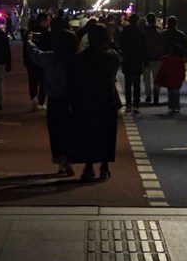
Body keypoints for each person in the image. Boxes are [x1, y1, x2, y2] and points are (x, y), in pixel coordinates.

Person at [68, 23, 121, 182]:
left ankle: (88, 166)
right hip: (107, 99)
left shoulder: (81, 58)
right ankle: (104, 166)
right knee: (107, 134)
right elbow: (116, 60)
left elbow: (75, 80)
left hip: (87, 99)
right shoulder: (111, 57)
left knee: (88, 133)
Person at [27, 29, 78, 176]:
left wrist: (29, 42)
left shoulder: (51, 57)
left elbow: (36, 54)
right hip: (72, 100)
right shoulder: (77, 59)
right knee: (71, 131)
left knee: (56, 132)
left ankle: (60, 161)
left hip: (55, 100)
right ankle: (70, 159)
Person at [119, 13, 148, 113]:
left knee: (128, 84)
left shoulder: (125, 31)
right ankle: (136, 105)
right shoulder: (140, 32)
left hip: (128, 59)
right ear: (137, 21)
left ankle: (128, 105)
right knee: (136, 84)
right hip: (137, 60)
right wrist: (145, 60)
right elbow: (144, 47)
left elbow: (121, 44)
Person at [155, 44, 187, 113]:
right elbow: (182, 71)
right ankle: (176, 107)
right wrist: (182, 78)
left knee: (170, 92)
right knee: (176, 92)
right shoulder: (180, 60)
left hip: (169, 78)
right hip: (177, 79)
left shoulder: (167, 59)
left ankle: (171, 106)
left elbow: (163, 68)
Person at [142, 13, 165, 104]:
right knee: (157, 78)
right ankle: (156, 93)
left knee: (146, 79)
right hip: (157, 58)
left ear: (147, 21)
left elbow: (142, 46)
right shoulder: (160, 32)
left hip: (146, 58)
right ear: (155, 20)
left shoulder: (144, 32)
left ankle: (148, 95)